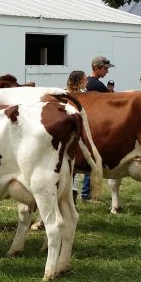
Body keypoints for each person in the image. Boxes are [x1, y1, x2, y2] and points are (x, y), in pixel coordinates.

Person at [66, 70, 92, 200]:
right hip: (78, 130)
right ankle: (75, 193)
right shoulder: (84, 97)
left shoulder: (65, 94)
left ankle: (72, 192)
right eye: (85, 79)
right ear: (80, 81)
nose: (87, 81)